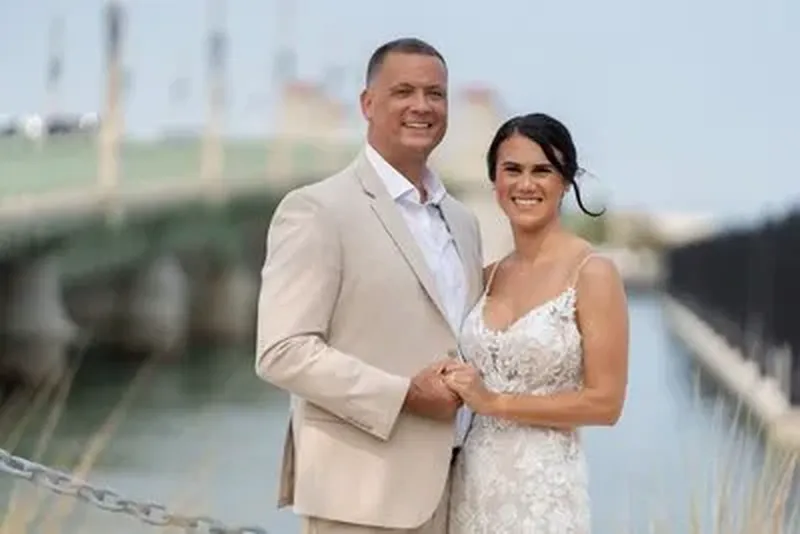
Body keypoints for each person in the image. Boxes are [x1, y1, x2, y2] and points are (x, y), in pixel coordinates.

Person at [255, 38, 484, 534]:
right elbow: (282, 351)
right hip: (361, 499)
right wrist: (404, 395)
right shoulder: (317, 210)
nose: (422, 106)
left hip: (463, 495)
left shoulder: (463, 222)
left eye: (435, 94)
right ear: (367, 104)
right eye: (403, 91)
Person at [443, 113, 630, 533]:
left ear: (565, 181)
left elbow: (606, 404)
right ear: (495, 182)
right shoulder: (486, 275)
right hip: (470, 486)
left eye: (542, 170)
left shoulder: (593, 273)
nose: (525, 184)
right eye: (512, 170)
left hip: (544, 495)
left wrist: (493, 402)